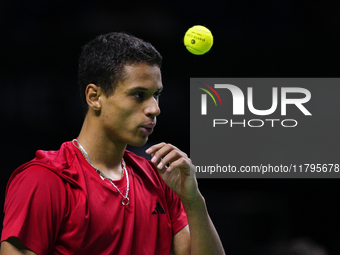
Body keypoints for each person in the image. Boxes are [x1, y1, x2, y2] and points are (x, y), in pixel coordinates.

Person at [0, 32, 225, 255]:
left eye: (156, 95)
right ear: (94, 97)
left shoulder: (162, 180)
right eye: (138, 95)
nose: (154, 109)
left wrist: (194, 200)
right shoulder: (46, 180)